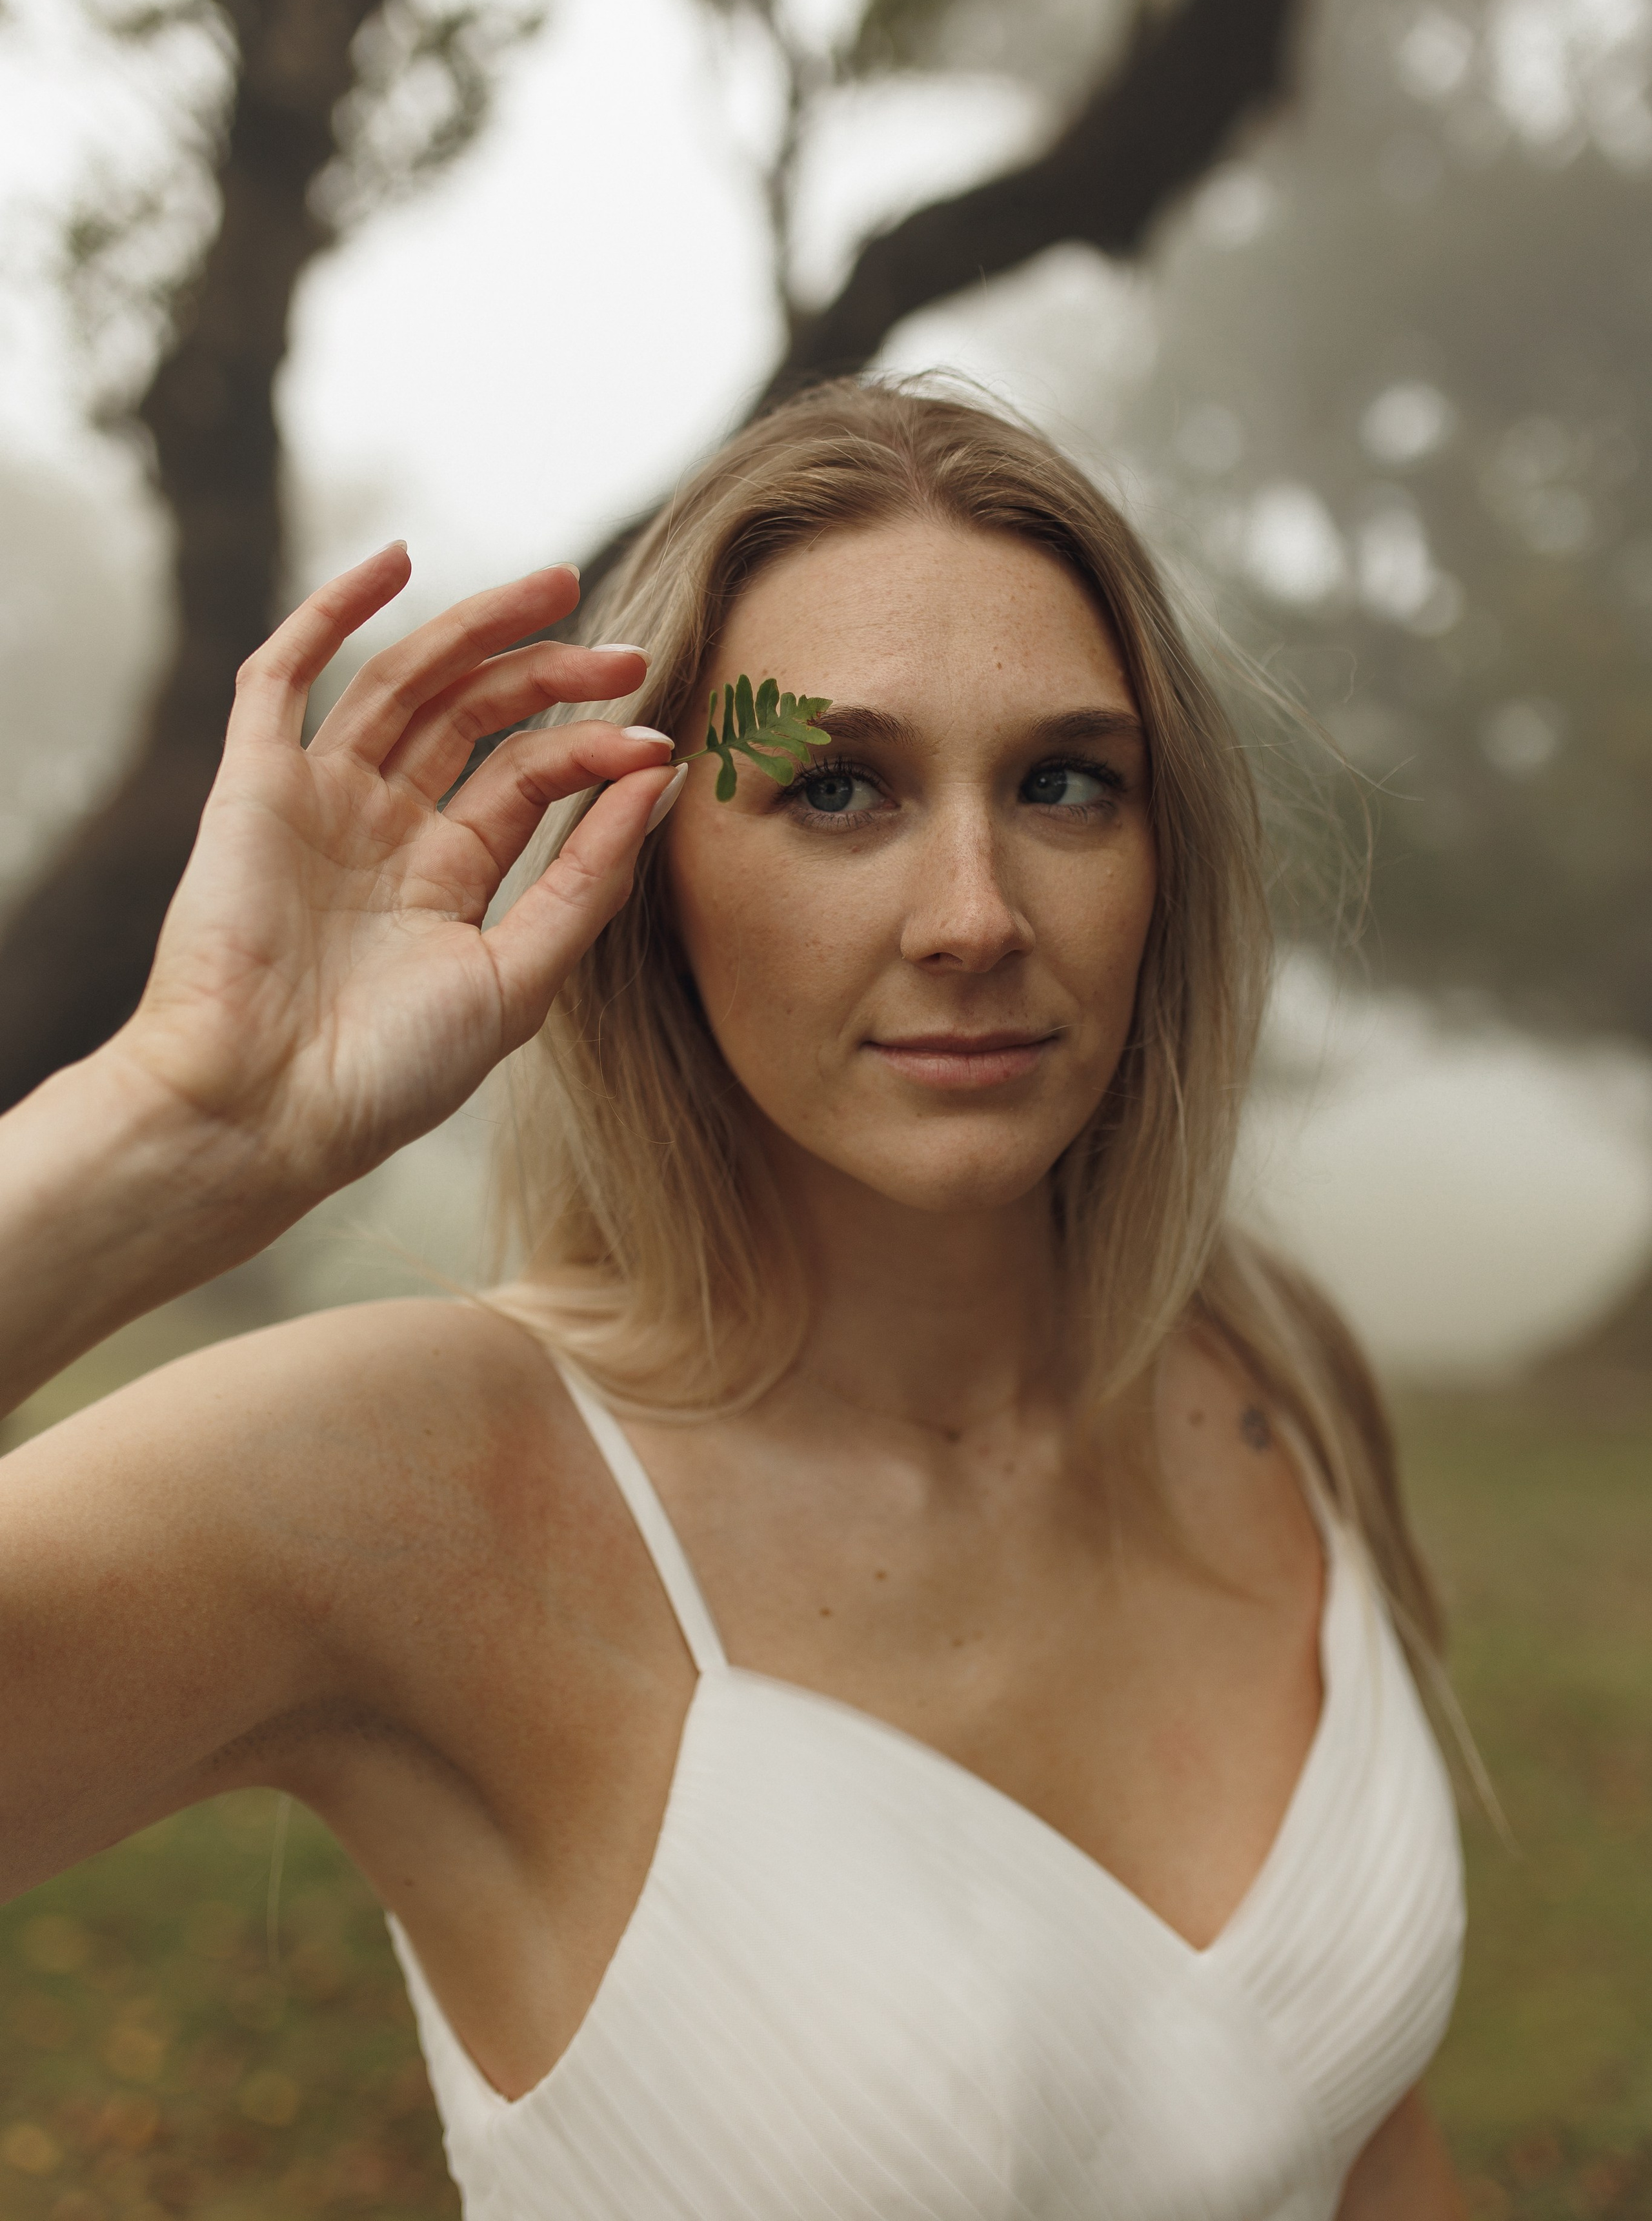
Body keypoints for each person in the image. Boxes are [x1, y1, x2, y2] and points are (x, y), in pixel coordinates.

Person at [0, 381, 1466, 2218]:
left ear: (1166, 858)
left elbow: (1362, 2146)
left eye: (1064, 783)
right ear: (651, 869)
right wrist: (166, 1130)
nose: (974, 915)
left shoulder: (1270, 1381)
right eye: (833, 786)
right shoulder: (421, 1489)